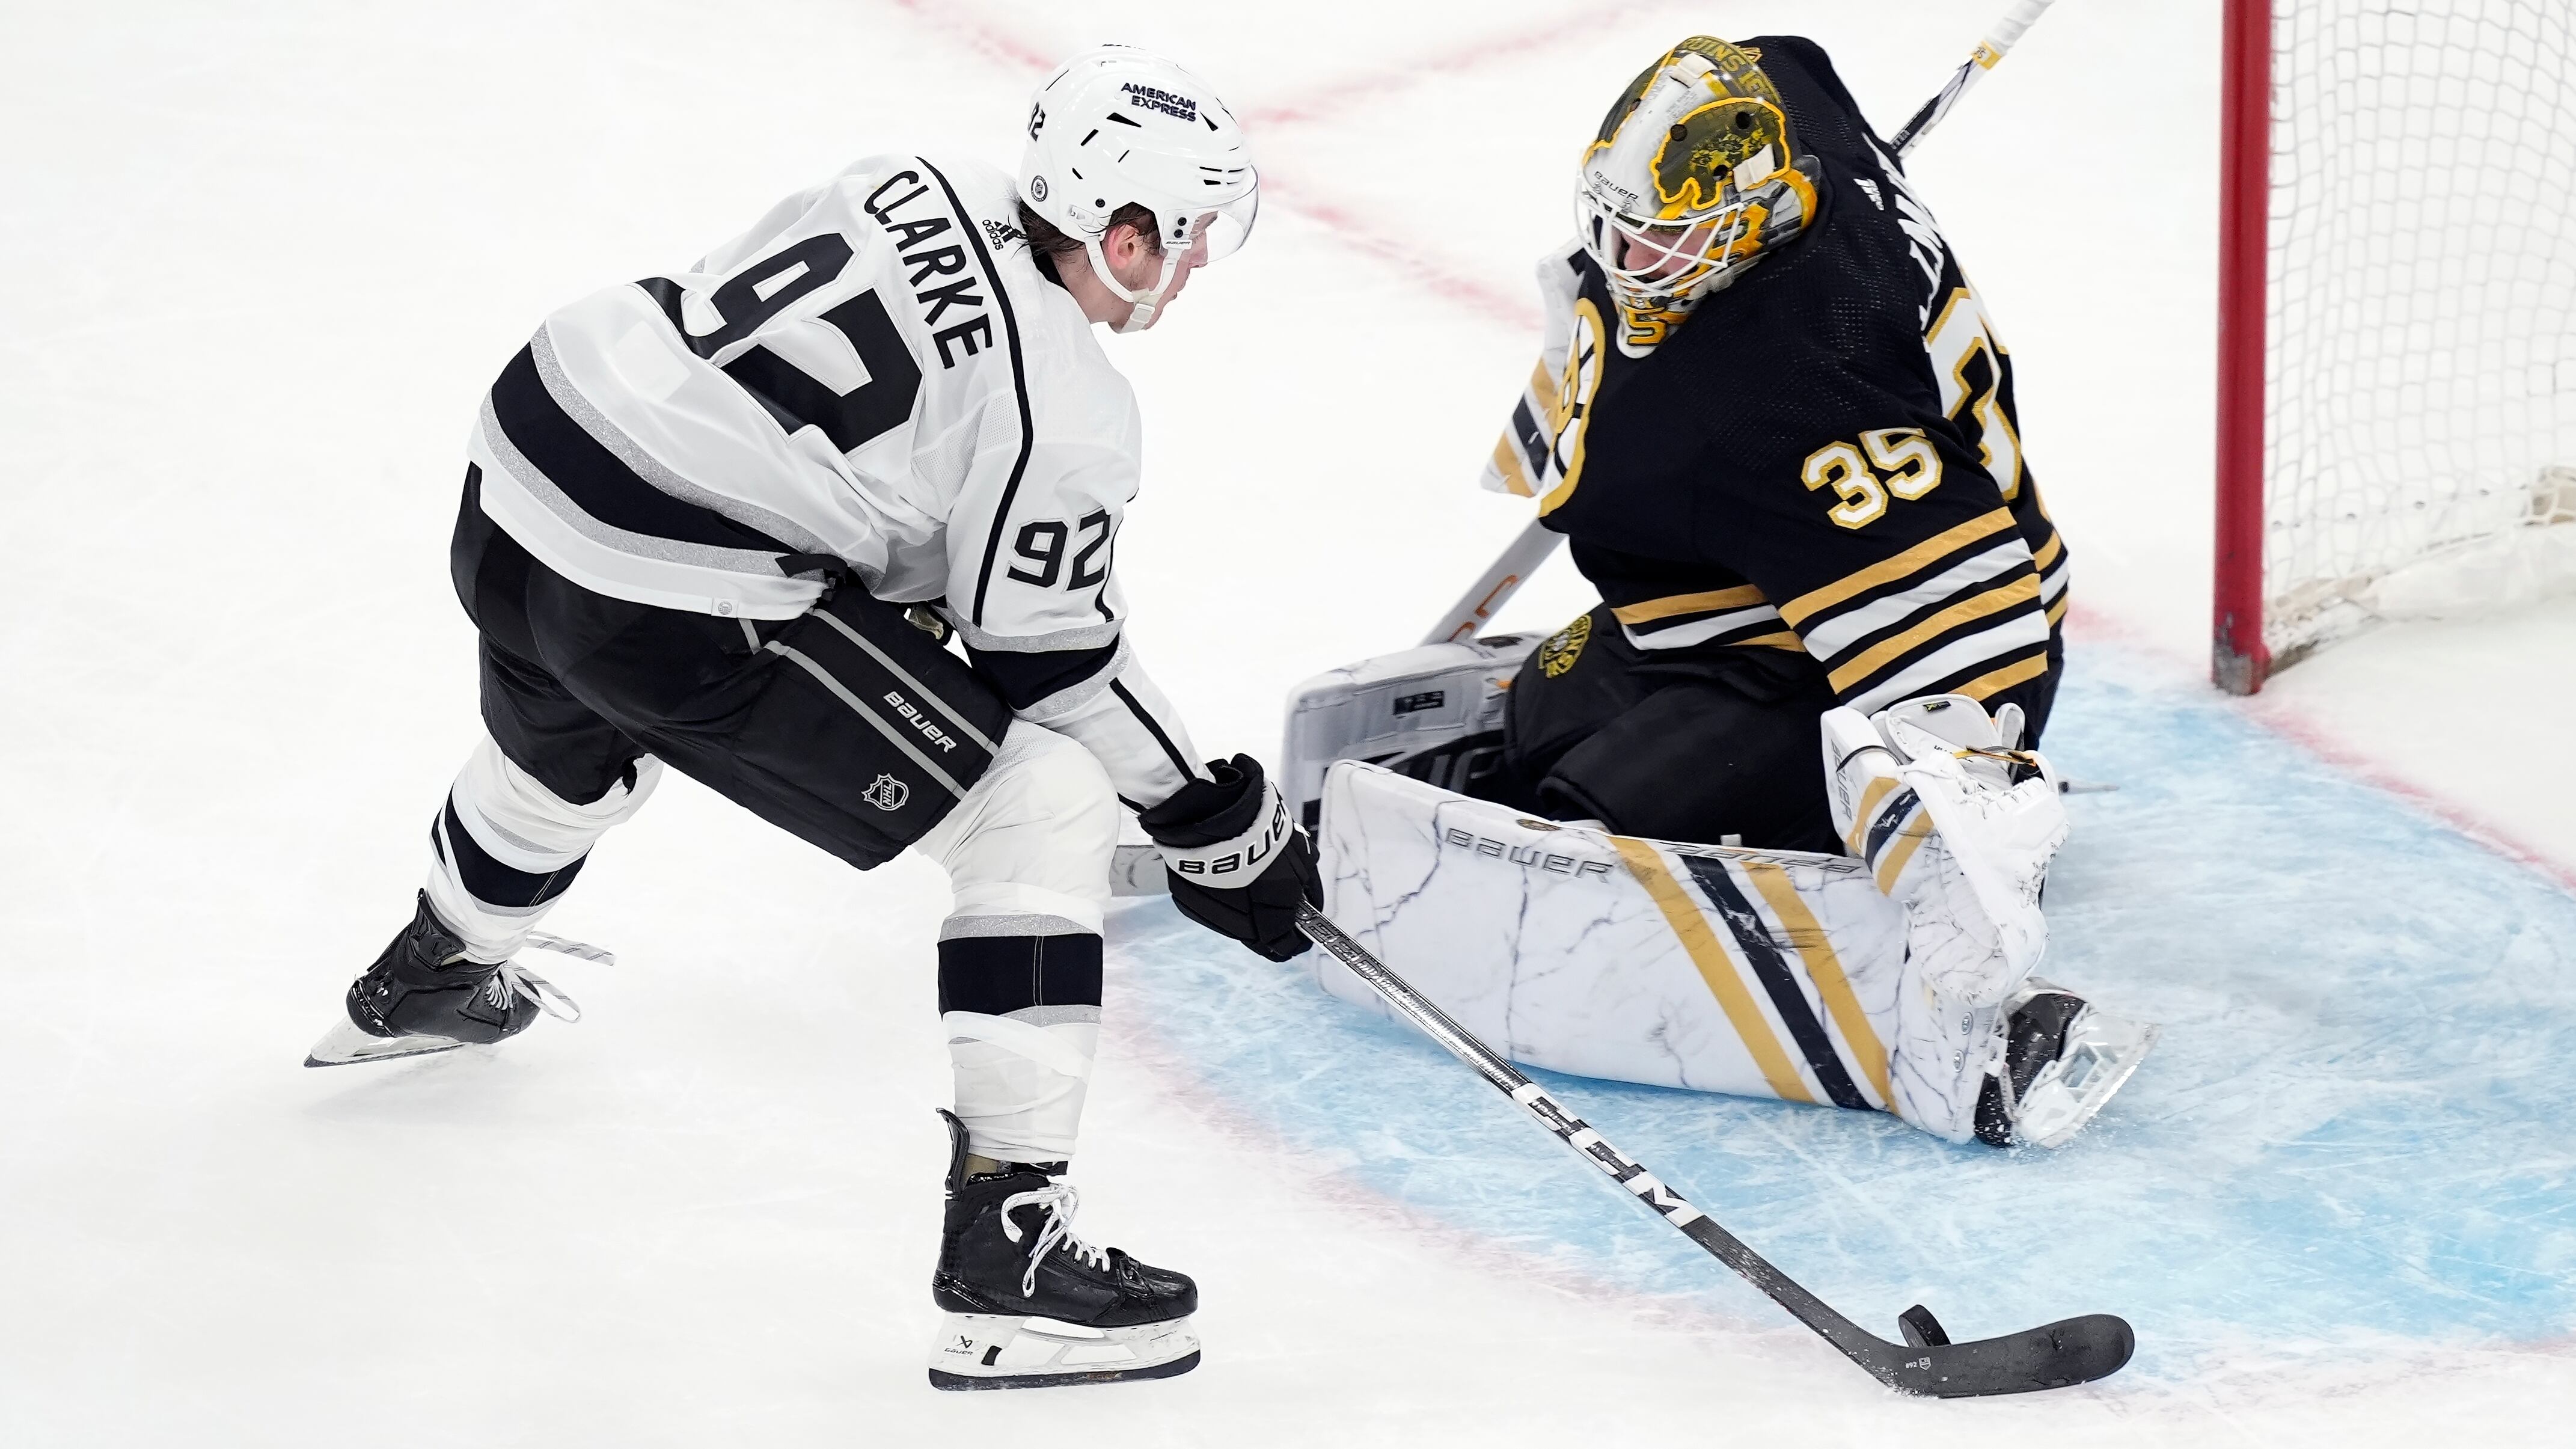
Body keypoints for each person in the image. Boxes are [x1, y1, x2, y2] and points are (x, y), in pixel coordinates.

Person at [305, 46, 1317, 1391]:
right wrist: (1211, 814)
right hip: (667, 582)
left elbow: (828, 429)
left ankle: (430, 972)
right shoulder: (1071, 407)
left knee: (571, 737)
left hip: (532, 453)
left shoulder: (913, 176)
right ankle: (1006, 1256)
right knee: (1044, 803)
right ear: (1123, 235)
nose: (1189, 268)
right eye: (1181, 240)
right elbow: (1048, 655)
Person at [1283, 35, 2152, 1151]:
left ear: (1751, 220)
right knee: (1537, 721)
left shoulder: (1797, 400)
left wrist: (1960, 872)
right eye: (1617, 222)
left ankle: (1847, 874)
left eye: (1661, 238)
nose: (1625, 256)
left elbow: (1976, 653)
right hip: (1729, 592)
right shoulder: (1785, 101)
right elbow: (1791, 58)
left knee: (1583, 824)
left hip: (1847, 642)